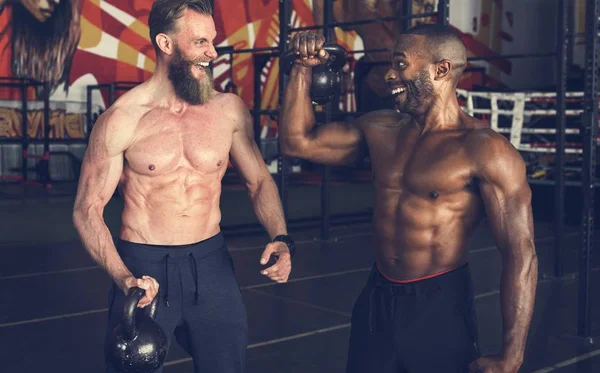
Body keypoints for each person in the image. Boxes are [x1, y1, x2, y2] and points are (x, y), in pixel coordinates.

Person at [279, 24, 538, 373]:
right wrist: (302, 67)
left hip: (440, 305)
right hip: (378, 298)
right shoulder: (380, 128)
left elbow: (520, 253)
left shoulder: (485, 150)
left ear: (441, 69)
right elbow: (298, 142)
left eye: (401, 64)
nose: (389, 75)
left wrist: (512, 353)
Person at [72, 1, 294, 372]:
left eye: (213, 41)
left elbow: (259, 181)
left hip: (211, 265)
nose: (212, 52)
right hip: (143, 268)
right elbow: (87, 209)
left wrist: (281, 237)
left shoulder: (229, 111)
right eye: (201, 42)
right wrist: (125, 277)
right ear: (166, 43)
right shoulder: (122, 119)